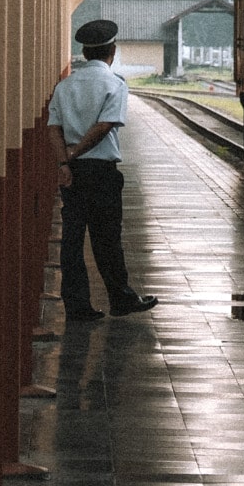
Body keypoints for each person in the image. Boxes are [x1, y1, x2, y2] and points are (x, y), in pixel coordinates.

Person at [47, 18, 158, 323]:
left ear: (84, 52)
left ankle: (77, 306)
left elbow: (53, 128)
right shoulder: (115, 84)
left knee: (72, 239)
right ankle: (120, 298)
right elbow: (105, 125)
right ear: (112, 50)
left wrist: (64, 163)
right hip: (101, 171)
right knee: (107, 237)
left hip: (72, 172)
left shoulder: (65, 85)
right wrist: (77, 152)